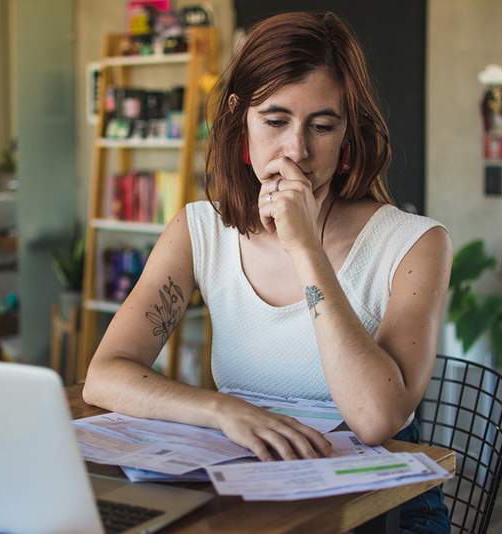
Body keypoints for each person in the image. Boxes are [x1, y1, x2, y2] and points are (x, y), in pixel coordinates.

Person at [84, 11, 452, 532]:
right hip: (253, 492)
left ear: (347, 132)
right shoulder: (198, 230)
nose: (297, 151)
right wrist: (223, 412)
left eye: (322, 126)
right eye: (276, 121)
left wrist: (305, 248)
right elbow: (106, 374)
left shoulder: (415, 242)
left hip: (381, 510)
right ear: (240, 118)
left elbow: (375, 418)